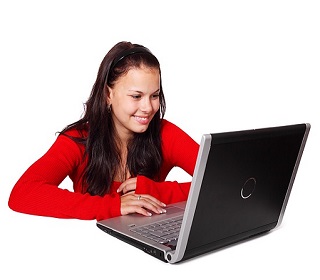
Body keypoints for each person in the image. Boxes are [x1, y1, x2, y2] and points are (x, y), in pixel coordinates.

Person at [8, 41, 199, 220]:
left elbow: (224, 180)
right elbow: (23, 194)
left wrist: (157, 191)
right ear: (108, 94)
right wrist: (114, 206)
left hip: (149, 244)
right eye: (136, 96)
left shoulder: (165, 133)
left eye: (154, 95)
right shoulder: (79, 139)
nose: (148, 107)